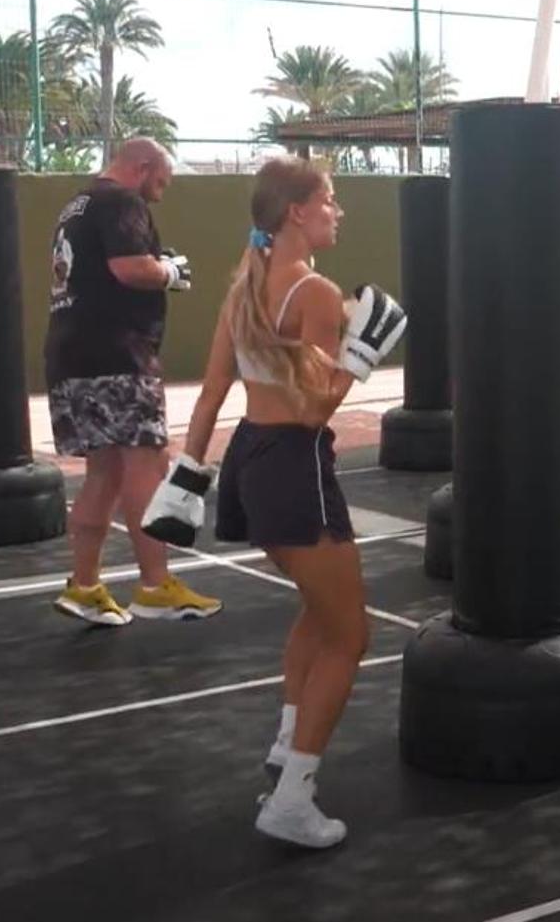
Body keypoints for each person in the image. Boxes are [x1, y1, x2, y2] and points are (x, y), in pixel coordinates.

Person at [140, 155, 408, 849]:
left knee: (318, 612)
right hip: (294, 463)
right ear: (296, 211)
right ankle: (293, 798)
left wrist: (188, 475)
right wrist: (361, 357)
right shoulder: (314, 292)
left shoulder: (244, 287)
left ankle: (290, 742)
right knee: (351, 635)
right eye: (330, 199)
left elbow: (211, 393)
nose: (337, 211)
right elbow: (315, 407)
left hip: (251, 461)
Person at [44, 137, 220, 625]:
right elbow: (129, 268)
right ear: (142, 167)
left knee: (104, 472)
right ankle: (155, 585)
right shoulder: (122, 201)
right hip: (118, 354)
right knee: (146, 463)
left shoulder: (77, 206)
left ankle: (84, 586)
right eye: (160, 181)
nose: (161, 192)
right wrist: (168, 271)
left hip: (70, 356)